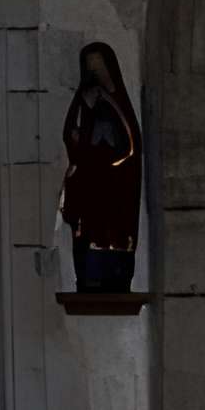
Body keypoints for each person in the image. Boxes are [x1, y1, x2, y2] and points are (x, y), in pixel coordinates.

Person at [60, 41, 143, 291]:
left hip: (117, 182)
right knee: (89, 232)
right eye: (91, 67)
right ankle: (89, 279)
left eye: (100, 65)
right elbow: (72, 133)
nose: (96, 71)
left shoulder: (118, 102)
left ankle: (117, 278)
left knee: (116, 232)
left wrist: (108, 101)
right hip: (91, 180)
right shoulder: (83, 99)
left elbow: (131, 145)